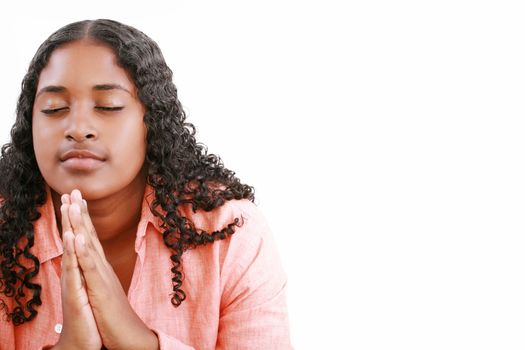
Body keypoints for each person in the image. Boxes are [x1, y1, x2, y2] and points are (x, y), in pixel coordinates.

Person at [0, 19, 291, 349]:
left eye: (108, 106)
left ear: (152, 122)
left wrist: (134, 338)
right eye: (55, 109)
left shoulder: (231, 233)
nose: (78, 128)